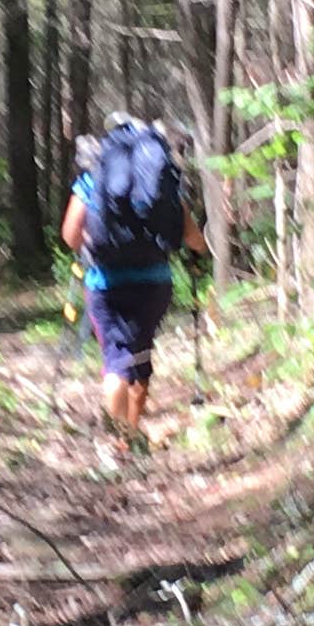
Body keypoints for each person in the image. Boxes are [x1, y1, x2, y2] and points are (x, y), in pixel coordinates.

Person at [61, 113, 205, 454]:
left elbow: (70, 235)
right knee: (138, 356)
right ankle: (130, 433)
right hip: (154, 284)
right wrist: (198, 253)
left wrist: (95, 245)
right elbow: (193, 238)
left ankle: (115, 446)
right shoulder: (164, 181)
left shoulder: (93, 178)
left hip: (105, 283)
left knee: (115, 361)